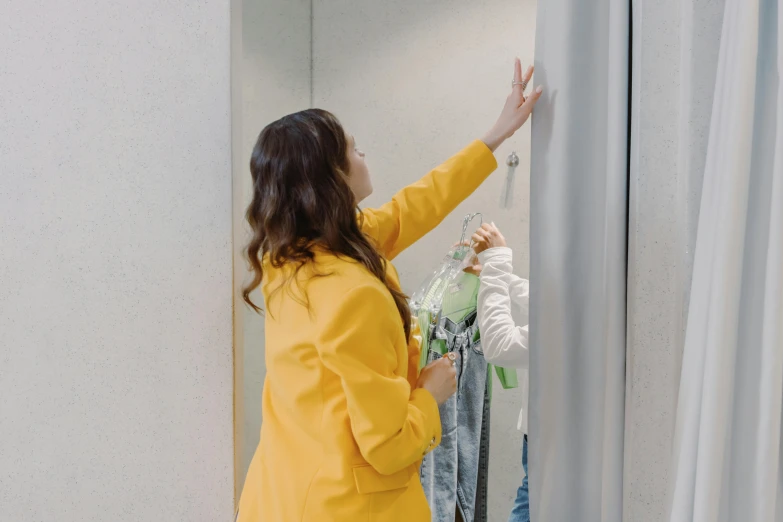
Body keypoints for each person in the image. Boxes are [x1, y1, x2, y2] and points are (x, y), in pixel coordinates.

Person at [236, 59, 542, 522]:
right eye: (354, 150)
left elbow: (411, 208)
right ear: (333, 178)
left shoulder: (288, 259)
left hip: (279, 496)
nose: (363, 155)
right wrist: (430, 392)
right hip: (346, 508)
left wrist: (496, 135)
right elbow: (388, 445)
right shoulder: (352, 294)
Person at [469, 222, 531, 522]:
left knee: (530, 501)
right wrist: (499, 275)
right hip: (547, 433)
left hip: (552, 437)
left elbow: (500, 345)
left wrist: (497, 264)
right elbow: (550, 303)